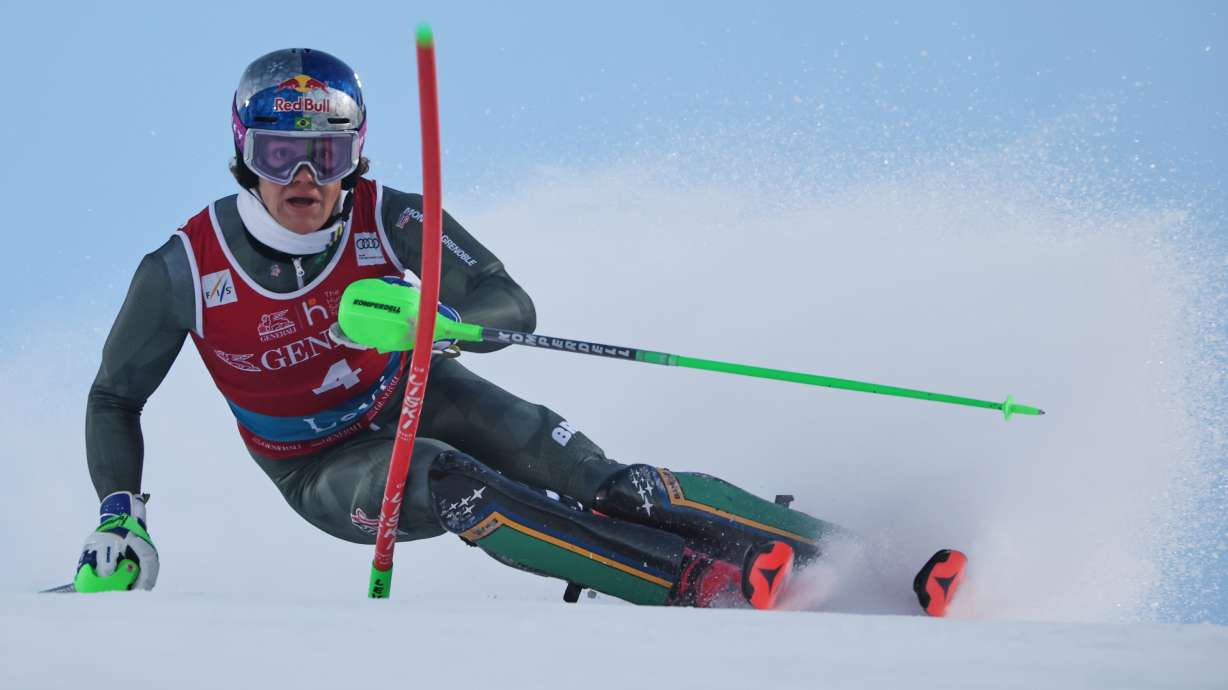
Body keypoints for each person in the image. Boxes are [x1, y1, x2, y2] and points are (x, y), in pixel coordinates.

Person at [77, 48, 843, 608]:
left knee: (610, 483)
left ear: (356, 155)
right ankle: (692, 583)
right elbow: (114, 396)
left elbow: (509, 301)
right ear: (245, 155)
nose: (304, 180)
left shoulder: (391, 214)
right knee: (461, 485)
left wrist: (441, 325)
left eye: (327, 154)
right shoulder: (183, 269)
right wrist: (122, 514)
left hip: (420, 389)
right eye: (281, 154)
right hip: (319, 463)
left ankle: (836, 550)